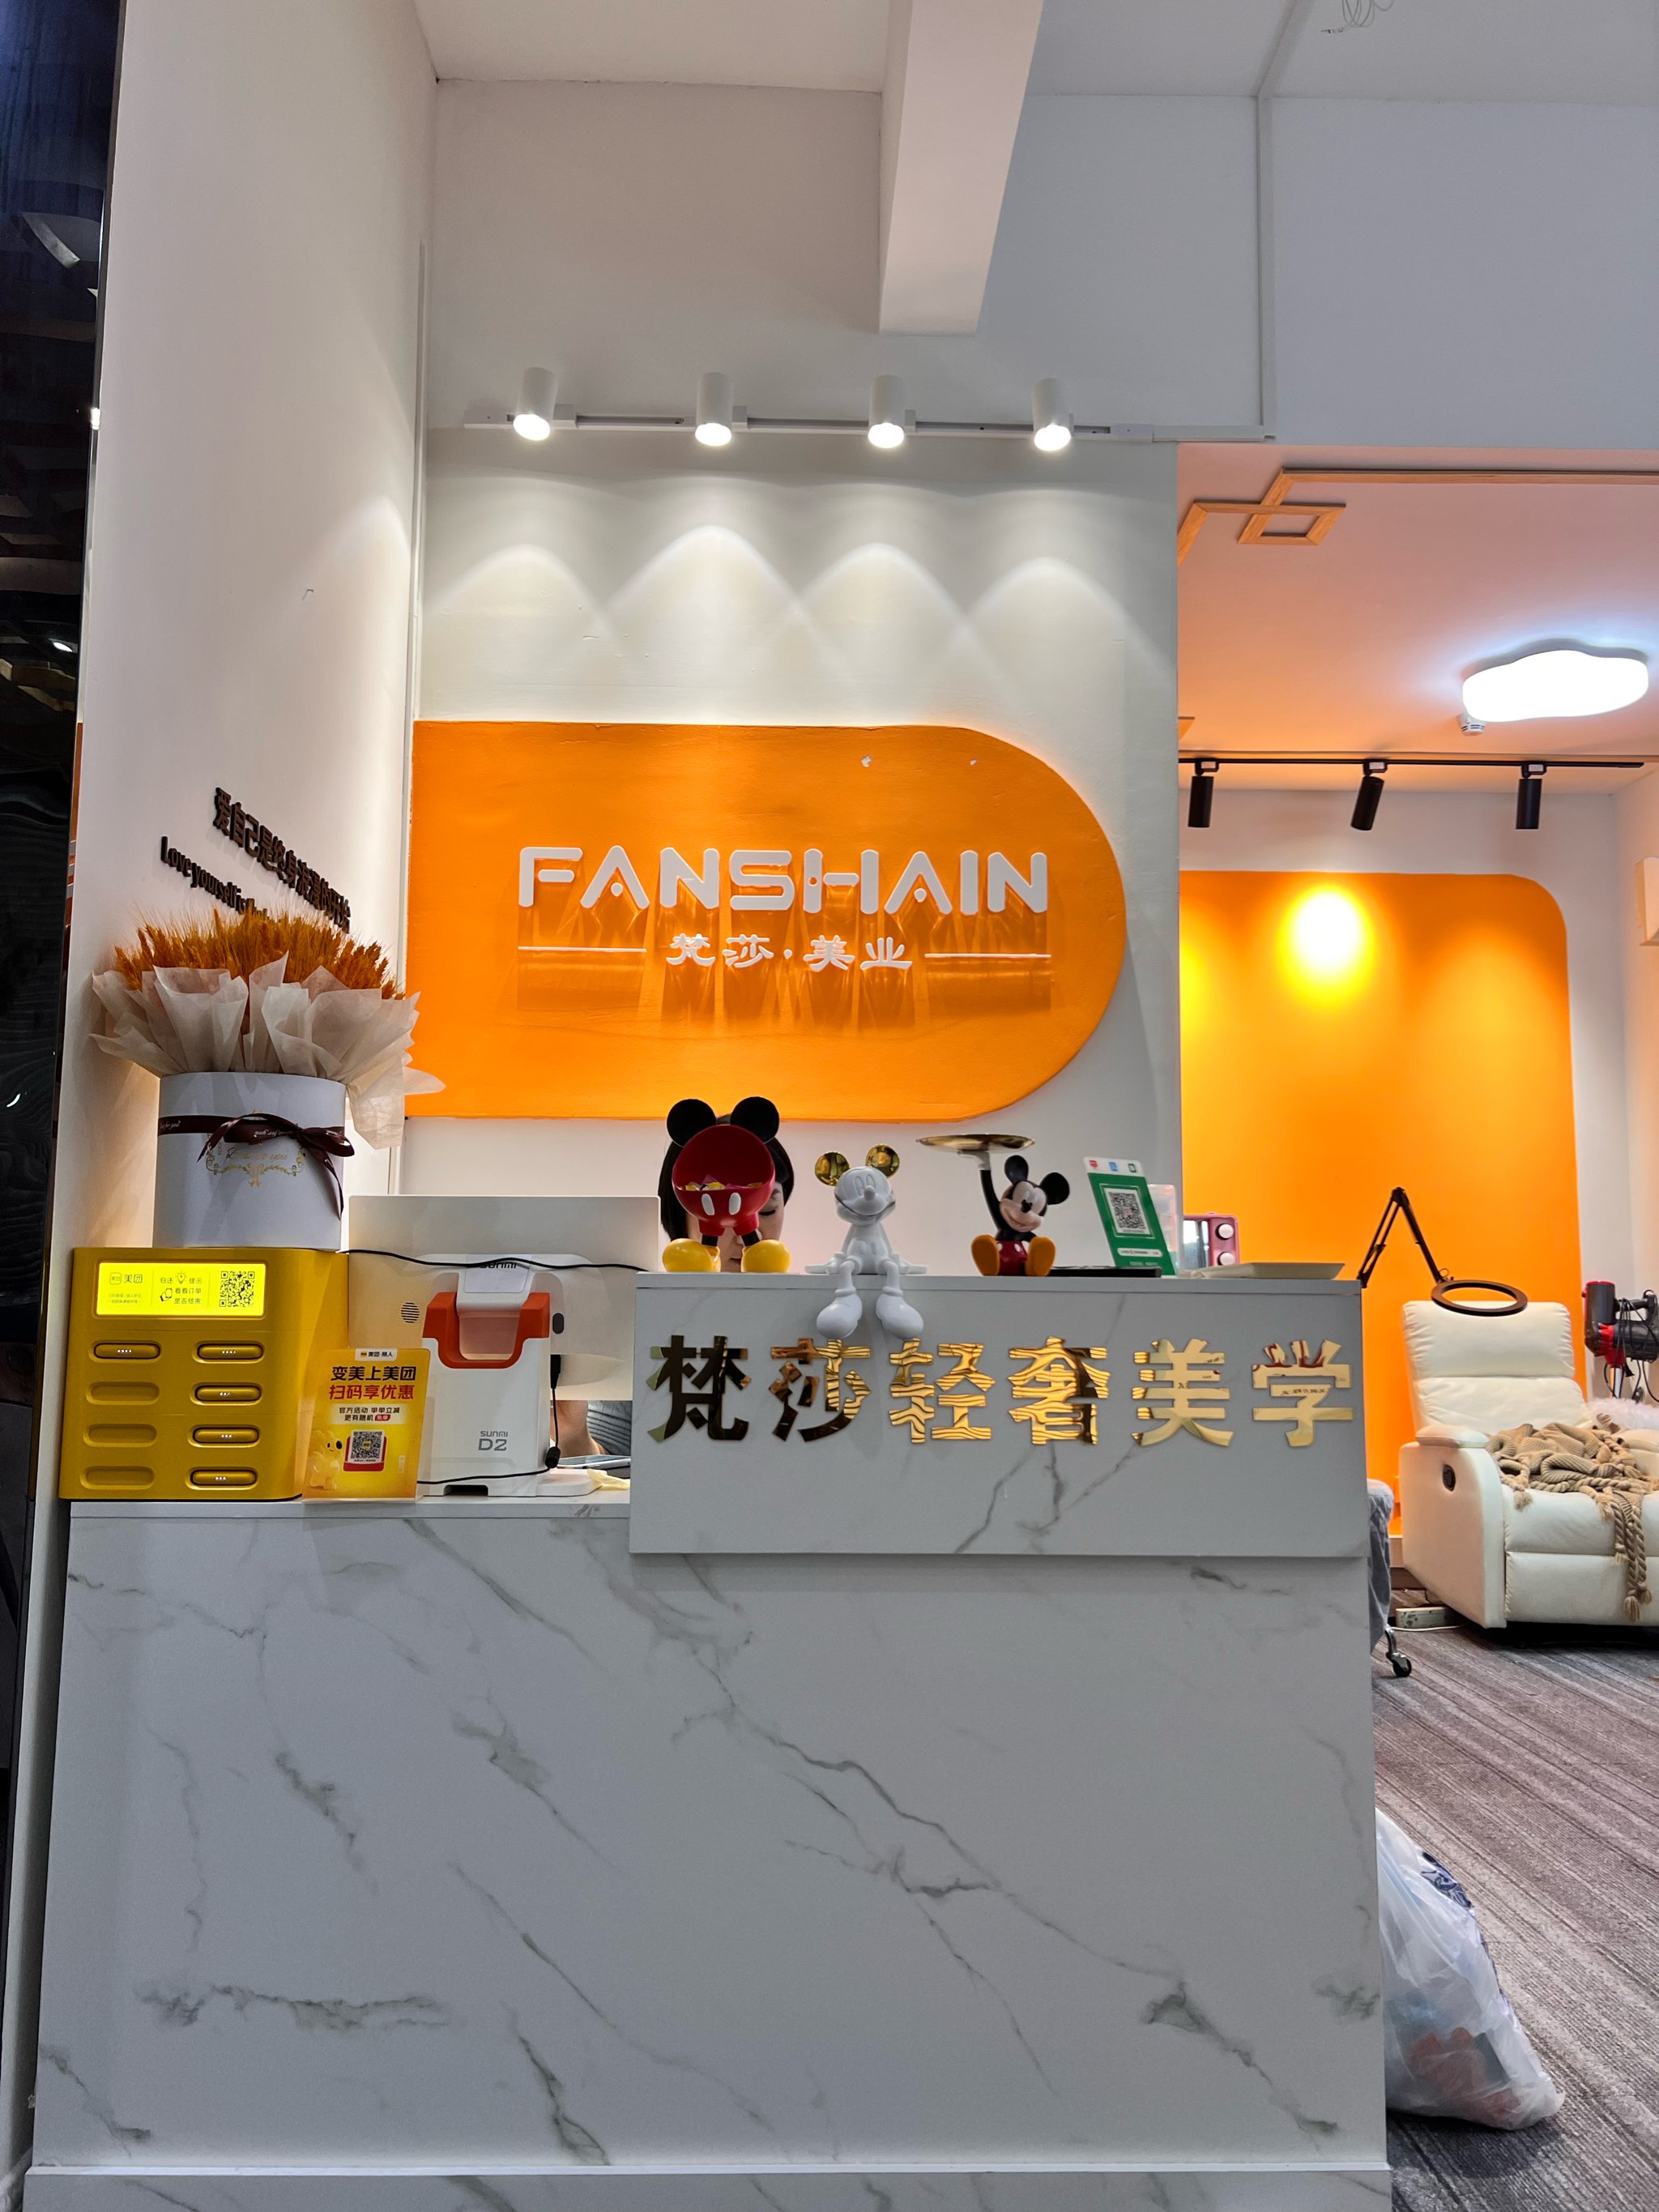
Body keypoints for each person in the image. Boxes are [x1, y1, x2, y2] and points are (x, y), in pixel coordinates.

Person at [561, 1115, 795, 1462]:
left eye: (769, 1209)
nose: (750, 1231)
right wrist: (571, 1431)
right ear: (680, 1216)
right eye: (718, 1209)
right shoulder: (647, 1322)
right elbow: (608, 1462)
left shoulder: (818, 1317)